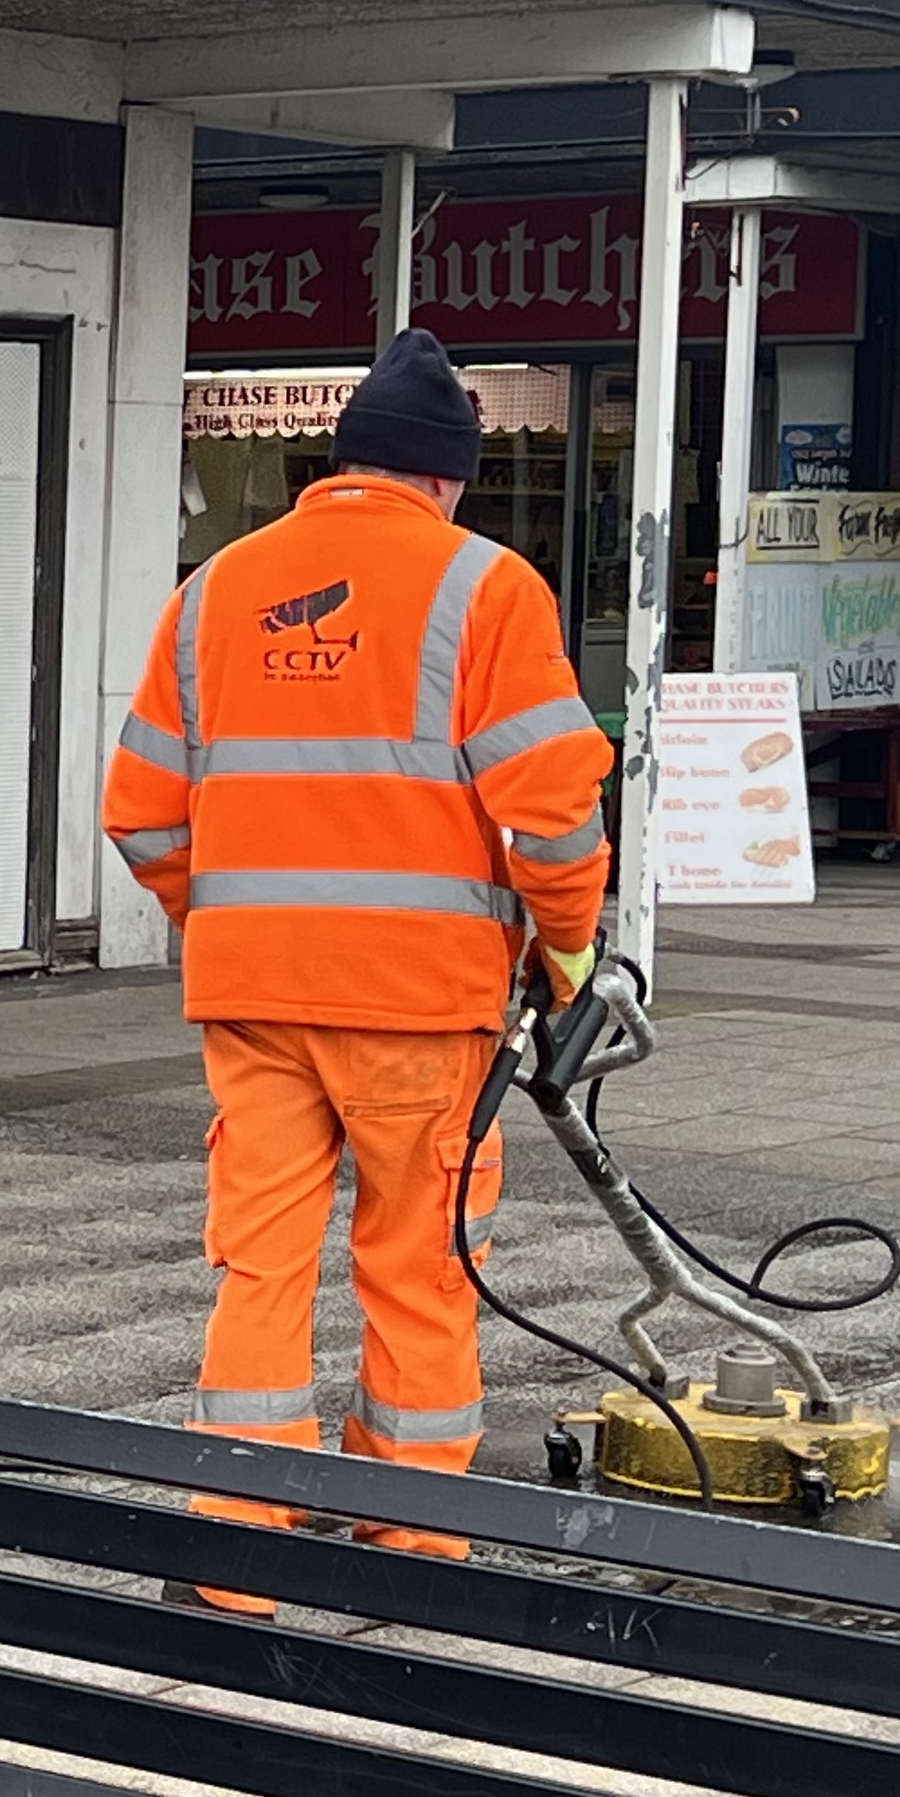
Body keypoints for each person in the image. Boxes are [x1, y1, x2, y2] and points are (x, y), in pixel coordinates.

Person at [101, 327, 614, 1610]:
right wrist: (565, 953)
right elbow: (553, 816)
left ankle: (236, 1551)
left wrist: (224, 914)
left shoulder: (214, 589)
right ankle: (412, 1542)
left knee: (260, 1263)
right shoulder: (489, 589)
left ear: (339, 464)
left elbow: (142, 813)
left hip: (254, 999)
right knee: (420, 1262)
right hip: (423, 1007)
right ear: (448, 477)